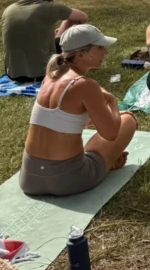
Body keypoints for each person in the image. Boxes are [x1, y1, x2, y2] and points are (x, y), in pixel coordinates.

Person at [20, 25, 139, 196]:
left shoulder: (51, 75)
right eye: (100, 48)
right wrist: (112, 102)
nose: (105, 52)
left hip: (30, 179)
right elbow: (111, 133)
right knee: (127, 119)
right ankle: (107, 163)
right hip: (69, 180)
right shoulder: (84, 85)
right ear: (80, 53)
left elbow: (70, 120)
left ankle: (104, 162)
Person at [2, 0, 88, 82]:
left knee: (66, 23)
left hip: (13, 74)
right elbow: (83, 17)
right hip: (43, 73)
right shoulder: (49, 8)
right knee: (75, 25)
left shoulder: (9, 9)